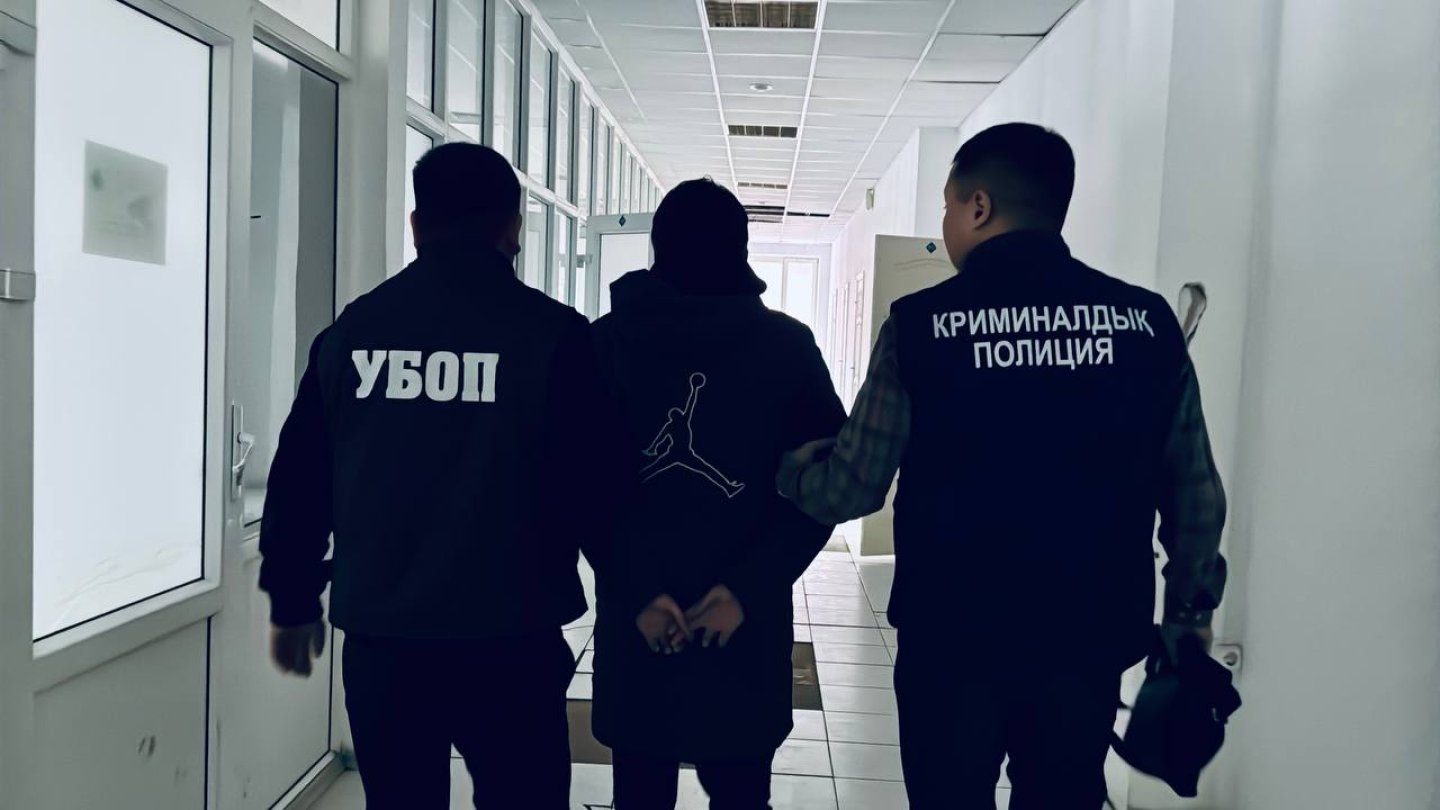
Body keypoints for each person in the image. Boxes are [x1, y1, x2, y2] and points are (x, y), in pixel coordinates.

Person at [776, 123, 1229, 809]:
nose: (947, 222)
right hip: (1087, 636)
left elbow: (852, 487)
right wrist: (1191, 609)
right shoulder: (1146, 324)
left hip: (951, 635)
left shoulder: (919, 326)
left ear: (979, 207)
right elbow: (1193, 491)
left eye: (948, 206)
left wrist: (790, 471)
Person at [258, 143, 614, 809]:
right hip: (512, 636)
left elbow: (302, 475)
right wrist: (640, 589)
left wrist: (292, 595)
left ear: (417, 225)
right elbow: (595, 486)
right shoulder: (554, 337)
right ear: (513, 228)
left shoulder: (356, 333)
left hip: (387, 639)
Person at [589, 179, 846, 809]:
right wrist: (746, 590)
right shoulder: (787, 347)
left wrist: (639, 591)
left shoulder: (604, 344)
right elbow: (825, 489)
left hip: (639, 622)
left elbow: (578, 487)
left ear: (657, 247)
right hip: (743, 625)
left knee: (639, 793)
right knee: (740, 793)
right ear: (743, 248)